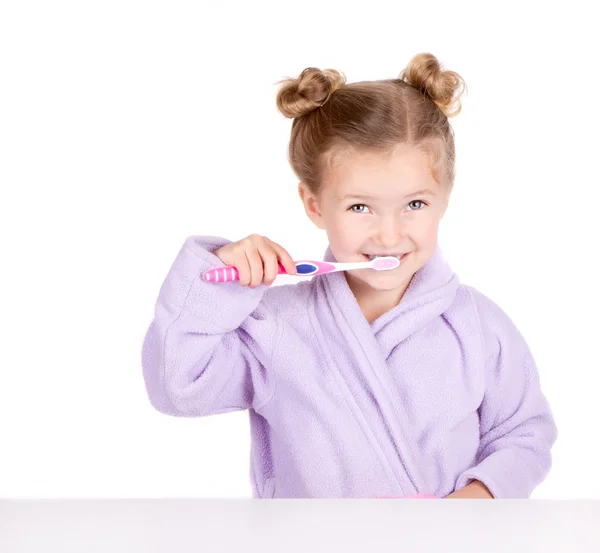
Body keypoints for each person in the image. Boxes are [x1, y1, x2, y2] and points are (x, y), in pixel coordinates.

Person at [141, 53, 557, 499]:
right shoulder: (276, 327)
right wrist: (218, 277)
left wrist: (475, 500)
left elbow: (524, 434)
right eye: (360, 207)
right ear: (315, 205)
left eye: (414, 205)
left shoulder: (479, 326)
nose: (390, 233)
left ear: (445, 197)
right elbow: (176, 387)